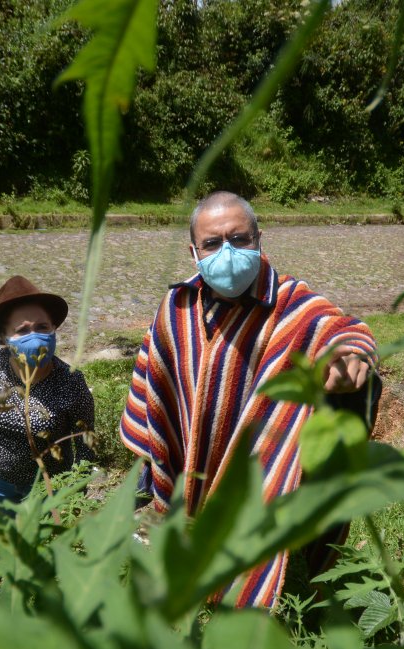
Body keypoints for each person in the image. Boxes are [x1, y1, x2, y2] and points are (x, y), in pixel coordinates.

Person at [120, 191, 379, 608]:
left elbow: (343, 330)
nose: (227, 251)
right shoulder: (177, 305)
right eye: (212, 243)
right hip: (191, 449)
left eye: (239, 239)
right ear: (194, 252)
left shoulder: (292, 304)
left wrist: (349, 358)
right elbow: (157, 375)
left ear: (259, 240)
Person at [0, 275, 95, 503]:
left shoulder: (70, 381)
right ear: (4, 338)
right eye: (22, 330)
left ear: (53, 328)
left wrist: (75, 490)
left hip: (50, 488)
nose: (35, 338)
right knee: (0, 537)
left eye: (42, 327)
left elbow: (86, 443)